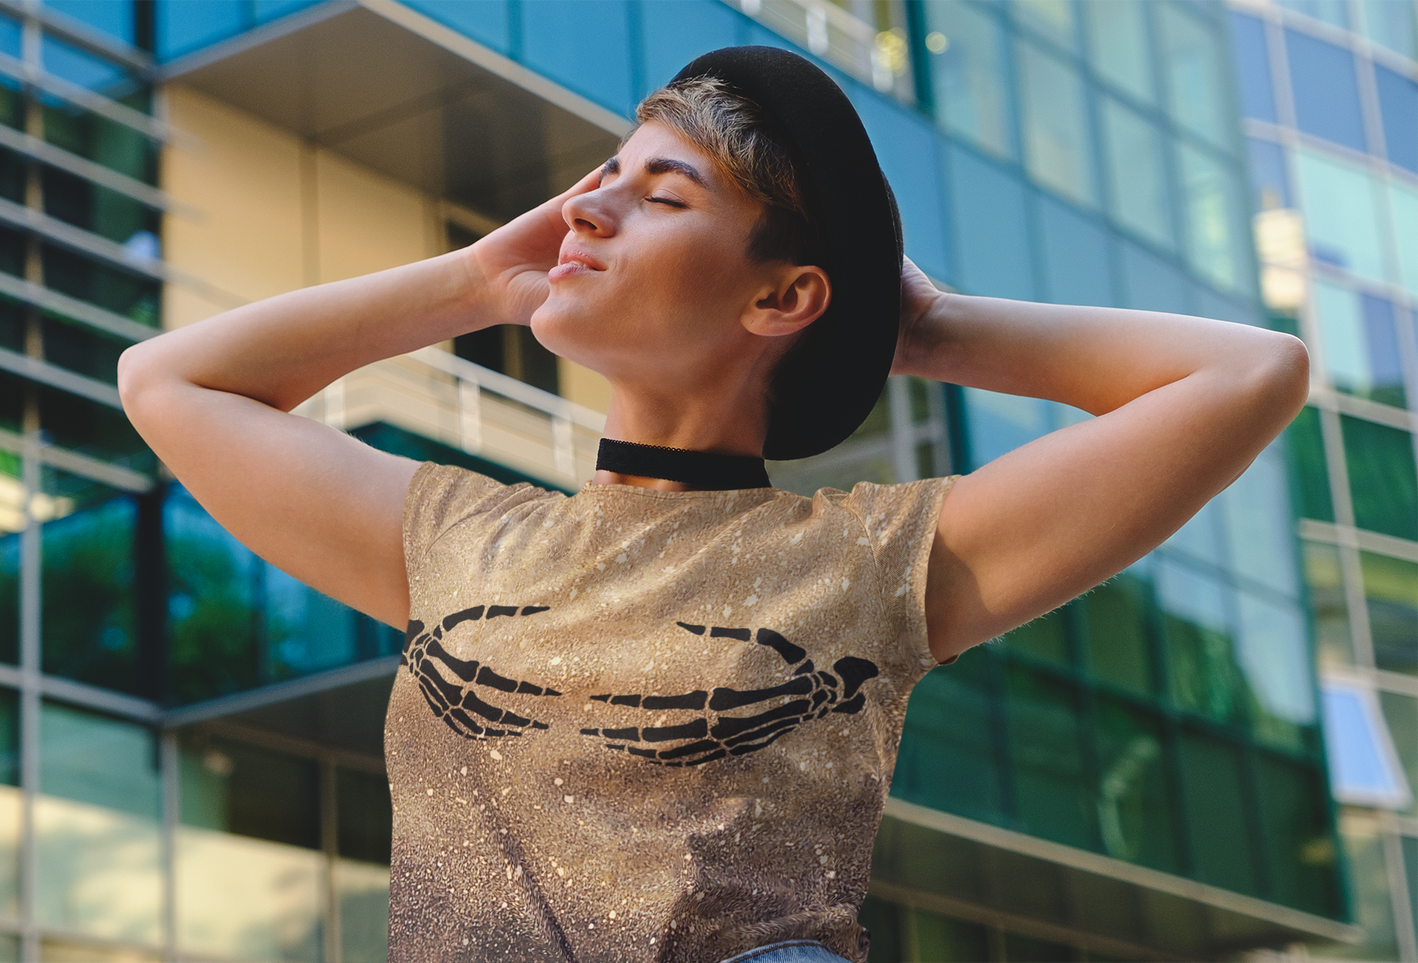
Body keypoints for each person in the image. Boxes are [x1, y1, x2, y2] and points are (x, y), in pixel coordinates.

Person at [118, 46, 1307, 963]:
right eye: (600, 181)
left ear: (782, 296)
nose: (584, 211)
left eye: (662, 196)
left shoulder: (873, 559)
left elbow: (1247, 374)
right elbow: (167, 379)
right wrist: (474, 279)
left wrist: (927, 330)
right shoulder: (453, 537)